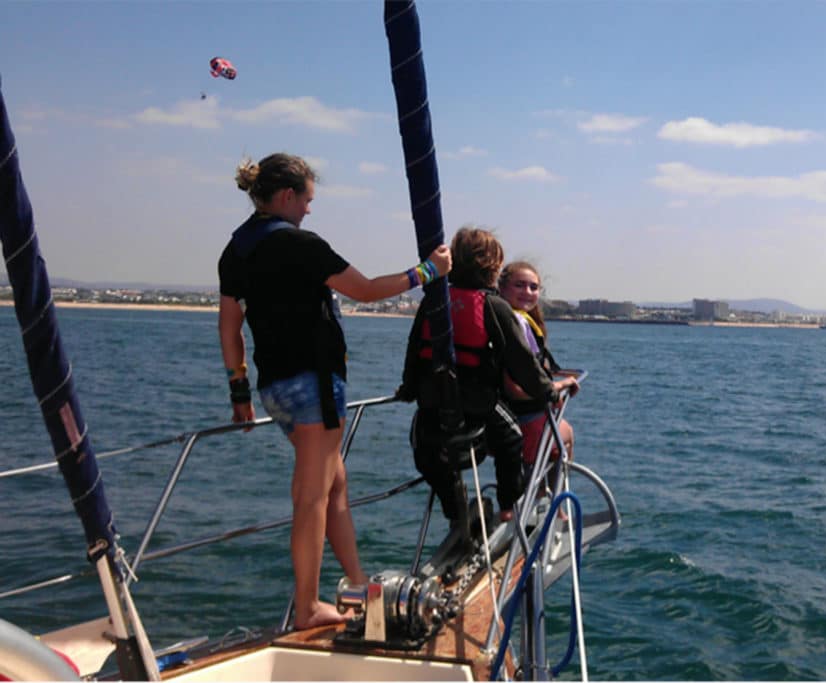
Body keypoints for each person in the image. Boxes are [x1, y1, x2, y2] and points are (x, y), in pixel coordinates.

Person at [218, 152, 451, 630]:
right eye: (307, 200)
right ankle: (307, 608)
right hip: (314, 386)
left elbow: (229, 323)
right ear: (287, 196)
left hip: (274, 389)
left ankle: (356, 586)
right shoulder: (302, 245)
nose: (309, 209)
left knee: (334, 483)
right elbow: (364, 289)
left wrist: (238, 387)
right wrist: (426, 272)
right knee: (311, 495)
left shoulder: (236, 249)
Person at [398, 227, 559, 523]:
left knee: (427, 456)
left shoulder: (433, 301)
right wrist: (548, 391)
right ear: (493, 266)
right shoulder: (493, 306)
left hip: (431, 401)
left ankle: (456, 512)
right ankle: (508, 509)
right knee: (512, 441)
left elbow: (414, 348)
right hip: (479, 403)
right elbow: (522, 362)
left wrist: (408, 388)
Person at [498, 261, 578, 480]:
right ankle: (554, 505)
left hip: (521, 414)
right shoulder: (514, 324)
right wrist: (556, 389)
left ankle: (546, 498)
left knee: (565, 432)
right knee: (566, 435)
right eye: (520, 285)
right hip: (521, 418)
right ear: (502, 288)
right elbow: (512, 386)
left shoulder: (516, 321)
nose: (527, 292)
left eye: (533, 287)